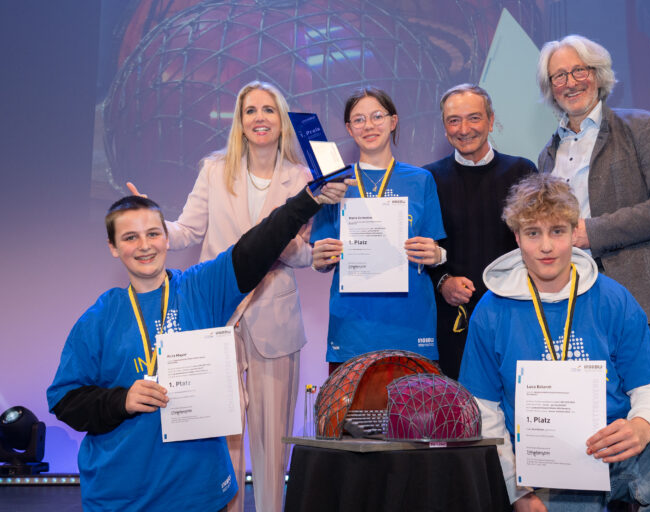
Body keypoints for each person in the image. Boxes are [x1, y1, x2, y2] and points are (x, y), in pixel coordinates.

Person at [46, 182, 348, 512]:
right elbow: (65, 399)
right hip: (123, 495)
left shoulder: (200, 288)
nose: (144, 245)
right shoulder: (99, 318)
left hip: (199, 492)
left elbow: (256, 245)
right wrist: (122, 400)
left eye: (153, 233)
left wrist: (307, 200)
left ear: (166, 237)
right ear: (113, 247)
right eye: (130, 237)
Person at [459, 174, 650, 511]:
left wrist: (642, 426)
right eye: (533, 233)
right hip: (545, 464)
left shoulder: (613, 298)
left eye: (557, 231)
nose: (547, 246)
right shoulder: (491, 311)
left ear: (574, 232)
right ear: (517, 238)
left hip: (621, 447)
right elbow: (484, 411)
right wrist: (517, 490)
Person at [129, 80, 313, 512]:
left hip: (276, 319)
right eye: (251, 111)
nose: (260, 118)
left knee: (272, 439)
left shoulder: (301, 177)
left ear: (281, 118)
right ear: (240, 121)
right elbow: (188, 231)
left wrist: (278, 239)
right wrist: (151, 222)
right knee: (222, 432)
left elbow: (304, 256)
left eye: (269, 109)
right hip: (218, 317)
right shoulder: (214, 169)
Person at [536, 34, 650, 359]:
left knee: (639, 400)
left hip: (635, 293)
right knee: (581, 402)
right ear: (551, 87)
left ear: (597, 75)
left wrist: (592, 232)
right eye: (559, 76)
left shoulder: (642, 127)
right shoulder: (547, 154)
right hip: (569, 297)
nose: (571, 82)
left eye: (579, 70)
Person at [311, 87, 446, 371]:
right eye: (358, 120)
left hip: (410, 325)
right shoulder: (334, 184)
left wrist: (437, 255)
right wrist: (320, 259)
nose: (368, 125)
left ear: (393, 121)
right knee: (350, 417)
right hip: (352, 329)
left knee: (413, 416)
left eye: (377, 116)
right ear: (349, 128)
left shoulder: (421, 180)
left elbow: (436, 249)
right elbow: (321, 257)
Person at [424, 84, 536, 379]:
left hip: (515, 315)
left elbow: (537, 244)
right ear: (444, 126)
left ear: (491, 120)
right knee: (458, 416)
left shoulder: (523, 173)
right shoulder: (428, 179)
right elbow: (419, 247)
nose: (464, 129)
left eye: (474, 118)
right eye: (453, 120)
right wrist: (443, 281)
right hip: (452, 322)